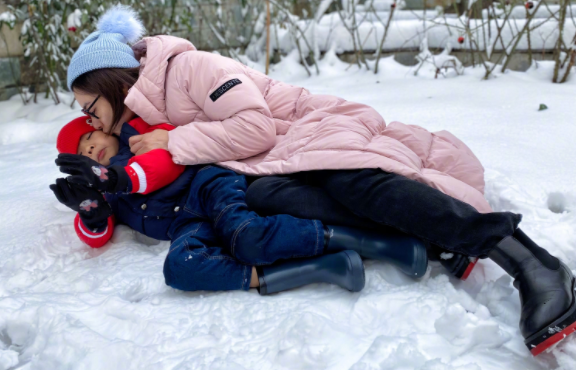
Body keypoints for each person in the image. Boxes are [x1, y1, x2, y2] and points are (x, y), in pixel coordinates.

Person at [64, 5, 576, 355]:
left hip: (308, 127)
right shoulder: (145, 115)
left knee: (355, 183)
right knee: (267, 196)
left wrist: (176, 143)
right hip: (269, 161)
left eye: (89, 107)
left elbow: (256, 125)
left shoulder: (190, 68)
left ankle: (532, 261)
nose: (90, 121)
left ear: (111, 80)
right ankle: (433, 234)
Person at [51, 114, 428, 295]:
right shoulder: (106, 190)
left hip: (206, 185)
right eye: (82, 152)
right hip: (185, 224)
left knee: (246, 237)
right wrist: (92, 211)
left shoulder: (142, 133)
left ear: (103, 127)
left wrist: (116, 177)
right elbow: (96, 235)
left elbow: (162, 162)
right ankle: (324, 267)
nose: (89, 148)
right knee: (180, 269)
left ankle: (369, 242)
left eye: (88, 136)